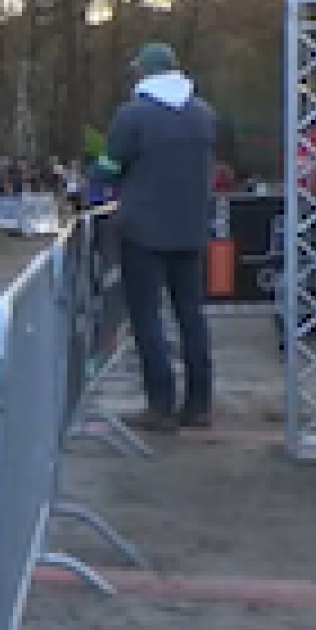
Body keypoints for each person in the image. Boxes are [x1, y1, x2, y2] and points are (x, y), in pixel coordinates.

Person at [96, 42, 220, 434]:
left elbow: (109, 167)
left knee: (147, 317)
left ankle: (161, 405)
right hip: (192, 229)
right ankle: (199, 403)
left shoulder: (133, 115)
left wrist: (97, 173)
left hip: (144, 230)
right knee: (191, 315)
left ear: (144, 74)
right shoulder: (204, 115)